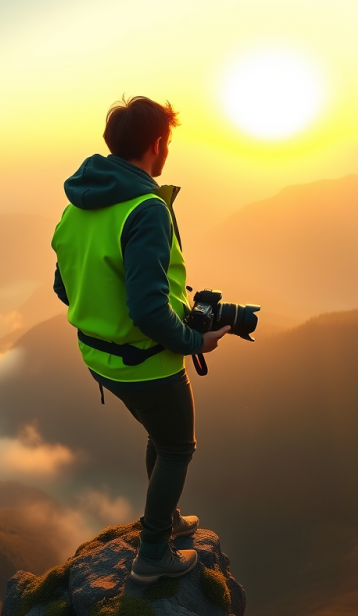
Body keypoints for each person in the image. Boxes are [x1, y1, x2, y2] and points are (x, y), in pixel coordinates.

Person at [51, 96, 229, 584]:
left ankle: (165, 520)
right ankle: (153, 551)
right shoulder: (145, 208)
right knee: (176, 448)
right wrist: (195, 340)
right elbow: (149, 310)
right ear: (158, 145)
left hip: (97, 355)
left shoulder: (77, 208)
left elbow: (63, 285)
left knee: (159, 434)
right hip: (146, 362)